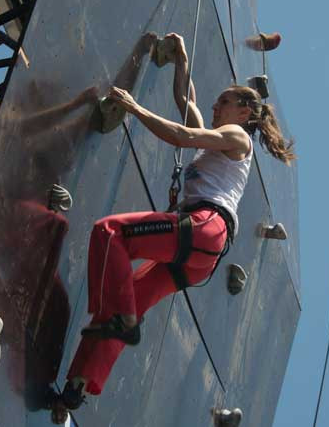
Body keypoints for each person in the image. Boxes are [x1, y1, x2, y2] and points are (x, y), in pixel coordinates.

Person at [50, 33, 295, 423]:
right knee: (126, 298)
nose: (216, 105)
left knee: (109, 233)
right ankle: (77, 388)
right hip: (202, 257)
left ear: (246, 111)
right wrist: (181, 59)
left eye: (225, 101)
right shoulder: (216, 143)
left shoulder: (236, 137)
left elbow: (181, 134)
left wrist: (134, 108)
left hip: (203, 226)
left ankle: (118, 318)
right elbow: (187, 103)